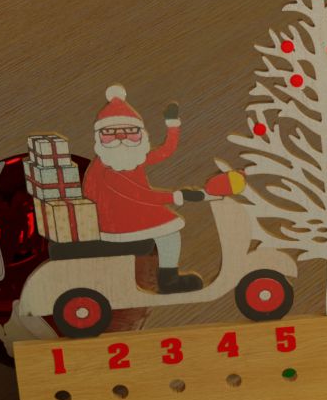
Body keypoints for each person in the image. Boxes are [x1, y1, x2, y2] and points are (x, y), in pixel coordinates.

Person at [81, 87, 243, 293]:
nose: (121, 138)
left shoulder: (129, 158)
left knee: (167, 227)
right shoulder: (107, 169)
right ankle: (168, 280)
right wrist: (179, 196)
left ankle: (167, 277)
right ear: (100, 137)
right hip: (115, 220)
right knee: (169, 232)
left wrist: (172, 125)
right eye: (111, 133)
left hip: (131, 212)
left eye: (130, 132)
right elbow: (141, 195)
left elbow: (165, 151)